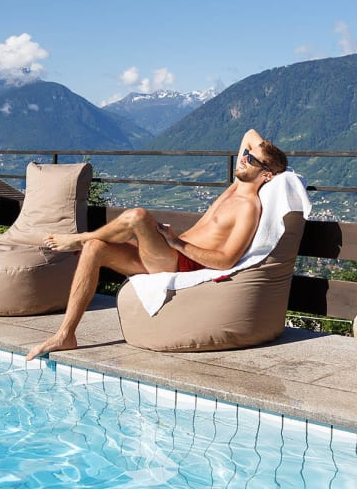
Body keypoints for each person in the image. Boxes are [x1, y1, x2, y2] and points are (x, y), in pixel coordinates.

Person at [25, 129, 288, 360]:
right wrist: (260, 153)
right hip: (168, 251)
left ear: (266, 175)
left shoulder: (248, 207)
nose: (244, 158)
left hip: (181, 260)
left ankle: (79, 238)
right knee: (95, 248)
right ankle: (66, 334)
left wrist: (177, 243)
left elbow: (227, 260)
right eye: (246, 155)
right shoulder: (236, 187)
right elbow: (250, 134)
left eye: (251, 159)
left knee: (137, 216)